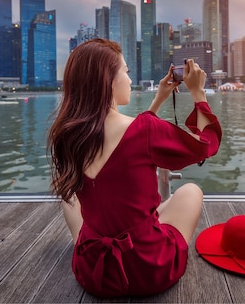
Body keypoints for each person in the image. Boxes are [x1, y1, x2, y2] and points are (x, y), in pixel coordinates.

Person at [47, 38, 222, 298]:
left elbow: (134, 134)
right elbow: (206, 144)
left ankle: (89, 247)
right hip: (148, 270)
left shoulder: (68, 134)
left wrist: (160, 99)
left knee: (70, 197)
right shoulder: (145, 131)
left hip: (94, 273)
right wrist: (198, 93)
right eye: (126, 72)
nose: (130, 80)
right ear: (108, 79)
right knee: (191, 191)